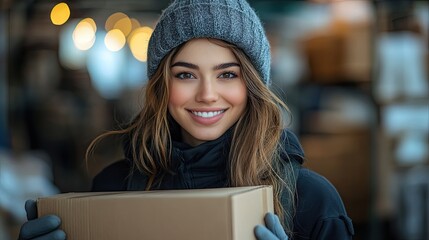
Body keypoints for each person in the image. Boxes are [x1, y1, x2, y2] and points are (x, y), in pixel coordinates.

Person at [18, 0, 355, 239]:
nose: (207, 94)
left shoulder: (310, 200)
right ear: (162, 86)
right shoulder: (113, 188)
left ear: (252, 86)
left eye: (227, 75)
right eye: (185, 75)